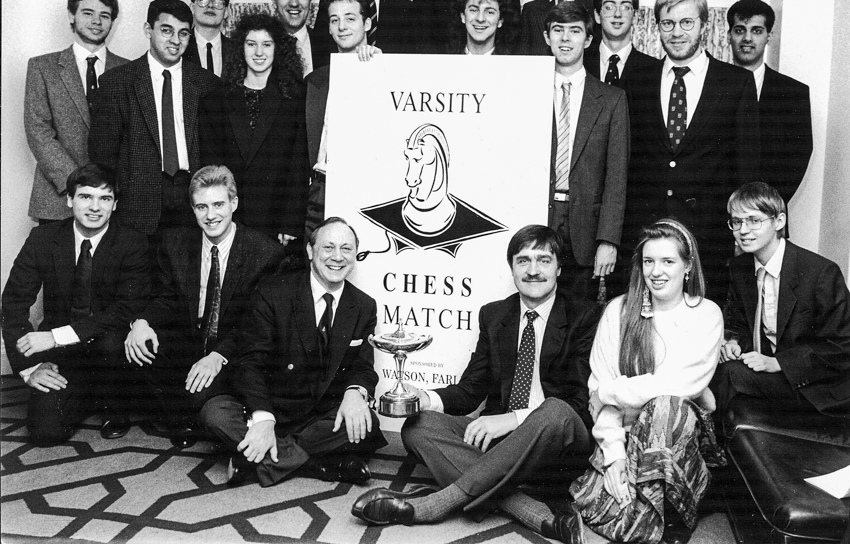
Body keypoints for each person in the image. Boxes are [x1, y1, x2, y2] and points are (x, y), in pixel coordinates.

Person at [352, 225, 598, 544]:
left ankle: (434, 505)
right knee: (417, 426)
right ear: (511, 268)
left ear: (559, 268)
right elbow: (470, 391)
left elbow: (578, 406)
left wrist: (511, 419)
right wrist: (424, 398)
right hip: (499, 443)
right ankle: (529, 510)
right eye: (523, 261)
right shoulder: (495, 315)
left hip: (555, 446)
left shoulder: (585, 316)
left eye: (543, 260)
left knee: (556, 411)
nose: (533, 270)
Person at [200, 217, 387, 487]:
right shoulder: (273, 292)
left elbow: (363, 366)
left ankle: (258, 463)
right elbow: (250, 363)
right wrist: (263, 418)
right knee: (215, 415)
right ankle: (321, 465)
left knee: (365, 421)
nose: (337, 257)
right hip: (269, 404)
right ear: (311, 252)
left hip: (318, 413)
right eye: (328, 248)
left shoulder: (363, 305)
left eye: (346, 249)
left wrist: (355, 392)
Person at [570, 219, 724, 544]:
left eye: (668, 261)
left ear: (688, 266)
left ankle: (671, 517)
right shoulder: (619, 311)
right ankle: (654, 509)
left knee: (664, 405)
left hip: (682, 438)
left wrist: (611, 391)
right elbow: (600, 391)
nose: (656, 271)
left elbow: (680, 385)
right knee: (608, 509)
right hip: (625, 435)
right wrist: (614, 457)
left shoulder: (706, 314)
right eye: (648, 261)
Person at [124, 165, 285, 448]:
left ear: (234, 203)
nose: (211, 216)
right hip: (190, 339)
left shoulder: (264, 253)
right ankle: (186, 416)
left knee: (201, 395)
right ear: (192, 208)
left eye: (219, 204)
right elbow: (166, 298)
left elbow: (256, 324)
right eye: (202, 207)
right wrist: (142, 322)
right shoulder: (174, 243)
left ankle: (194, 412)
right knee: (140, 348)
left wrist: (218, 355)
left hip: (232, 347)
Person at [623, 0, 760, 299]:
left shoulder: (736, 83)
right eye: (667, 23)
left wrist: (742, 234)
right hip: (645, 236)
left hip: (709, 241)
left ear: (704, 25)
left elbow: (747, 168)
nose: (676, 32)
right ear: (657, 26)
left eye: (687, 23)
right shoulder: (637, 79)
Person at [2, 164, 150, 444]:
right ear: (70, 200)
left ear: (115, 205)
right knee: (46, 432)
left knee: (111, 342)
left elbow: (126, 309)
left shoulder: (132, 243)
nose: (94, 207)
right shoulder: (43, 240)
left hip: (110, 350)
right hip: (64, 356)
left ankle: (112, 403)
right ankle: (83, 394)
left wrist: (55, 337)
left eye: (104, 199)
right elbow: (13, 302)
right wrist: (29, 368)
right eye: (85, 197)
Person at [711, 182, 850, 420]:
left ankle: (707, 449)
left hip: (818, 386)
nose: (743, 230)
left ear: (779, 222)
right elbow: (741, 323)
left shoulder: (820, 273)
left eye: (754, 220)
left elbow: (843, 346)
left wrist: (779, 363)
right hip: (771, 377)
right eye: (736, 221)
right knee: (720, 367)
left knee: (728, 374)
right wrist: (734, 342)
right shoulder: (739, 269)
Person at [88, 0, 220, 240]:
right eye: (166, 30)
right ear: (148, 30)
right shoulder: (117, 82)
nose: (175, 41)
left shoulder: (206, 83)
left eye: (183, 33)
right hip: (136, 201)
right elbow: (103, 154)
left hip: (192, 196)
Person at [199, 13, 309, 248]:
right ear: (241, 48)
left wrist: (291, 222)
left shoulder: (295, 99)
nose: (259, 52)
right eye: (251, 44)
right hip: (229, 216)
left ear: (277, 49)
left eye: (266, 44)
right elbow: (210, 164)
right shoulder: (215, 101)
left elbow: (298, 166)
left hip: (276, 219)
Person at [544, 2, 629, 302]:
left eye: (575, 31)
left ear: (589, 39)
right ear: (546, 37)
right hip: (538, 219)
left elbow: (616, 176)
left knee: (580, 322)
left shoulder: (611, 99)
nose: (565, 39)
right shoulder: (528, 90)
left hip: (586, 229)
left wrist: (608, 240)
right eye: (558, 31)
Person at [25, 0, 128, 223]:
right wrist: (78, 184)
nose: (97, 21)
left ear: (112, 22)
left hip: (112, 200)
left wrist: (106, 189)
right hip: (57, 197)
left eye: (105, 15)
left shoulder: (129, 70)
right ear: (72, 15)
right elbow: (38, 132)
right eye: (88, 13)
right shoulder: (42, 67)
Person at [305, 0, 381, 238]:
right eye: (334, 20)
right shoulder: (314, 80)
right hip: (319, 188)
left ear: (367, 23)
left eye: (350, 18)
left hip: (365, 190)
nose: (342, 26)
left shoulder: (385, 71)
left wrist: (378, 69)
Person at [726, 0, 812, 207]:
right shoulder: (709, 86)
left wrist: (763, 209)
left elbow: (797, 158)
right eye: (739, 30)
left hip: (768, 215)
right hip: (713, 217)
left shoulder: (793, 93)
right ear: (728, 35)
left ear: (769, 36)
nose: (747, 38)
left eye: (756, 31)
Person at [583, 0, 660, 88]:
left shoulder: (653, 70)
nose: (617, 14)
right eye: (609, 7)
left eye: (625, 7)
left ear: (635, 17)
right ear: (597, 15)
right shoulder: (581, 63)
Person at [182, 0, 240, 82]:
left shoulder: (238, 50)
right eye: (203, 1)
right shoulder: (181, 48)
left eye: (217, 2)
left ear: (226, 12)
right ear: (192, 7)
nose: (210, 6)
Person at [448, 0, 518, 55]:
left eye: (490, 12)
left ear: (500, 20)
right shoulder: (443, 60)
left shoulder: (513, 64)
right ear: (463, 16)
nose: (480, 19)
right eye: (473, 10)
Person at [271, 0, 318, 76]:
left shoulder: (327, 44)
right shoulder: (260, 46)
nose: (294, 3)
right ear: (273, 1)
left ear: (310, 0)